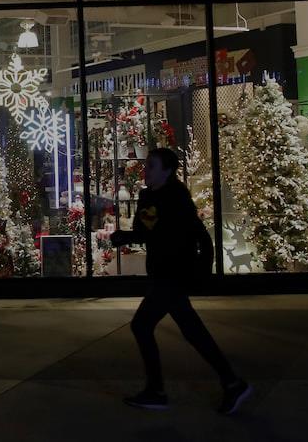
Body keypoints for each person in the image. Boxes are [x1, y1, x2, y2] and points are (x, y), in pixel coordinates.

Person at [110, 147, 251, 415]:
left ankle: (157, 391)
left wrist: (203, 270)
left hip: (172, 274)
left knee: (142, 325)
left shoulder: (176, 199)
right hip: (164, 274)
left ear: (167, 171)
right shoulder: (151, 196)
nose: (145, 170)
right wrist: (127, 234)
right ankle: (231, 382)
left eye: (151, 166)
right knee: (191, 329)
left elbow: (189, 236)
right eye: (146, 165)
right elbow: (145, 232)